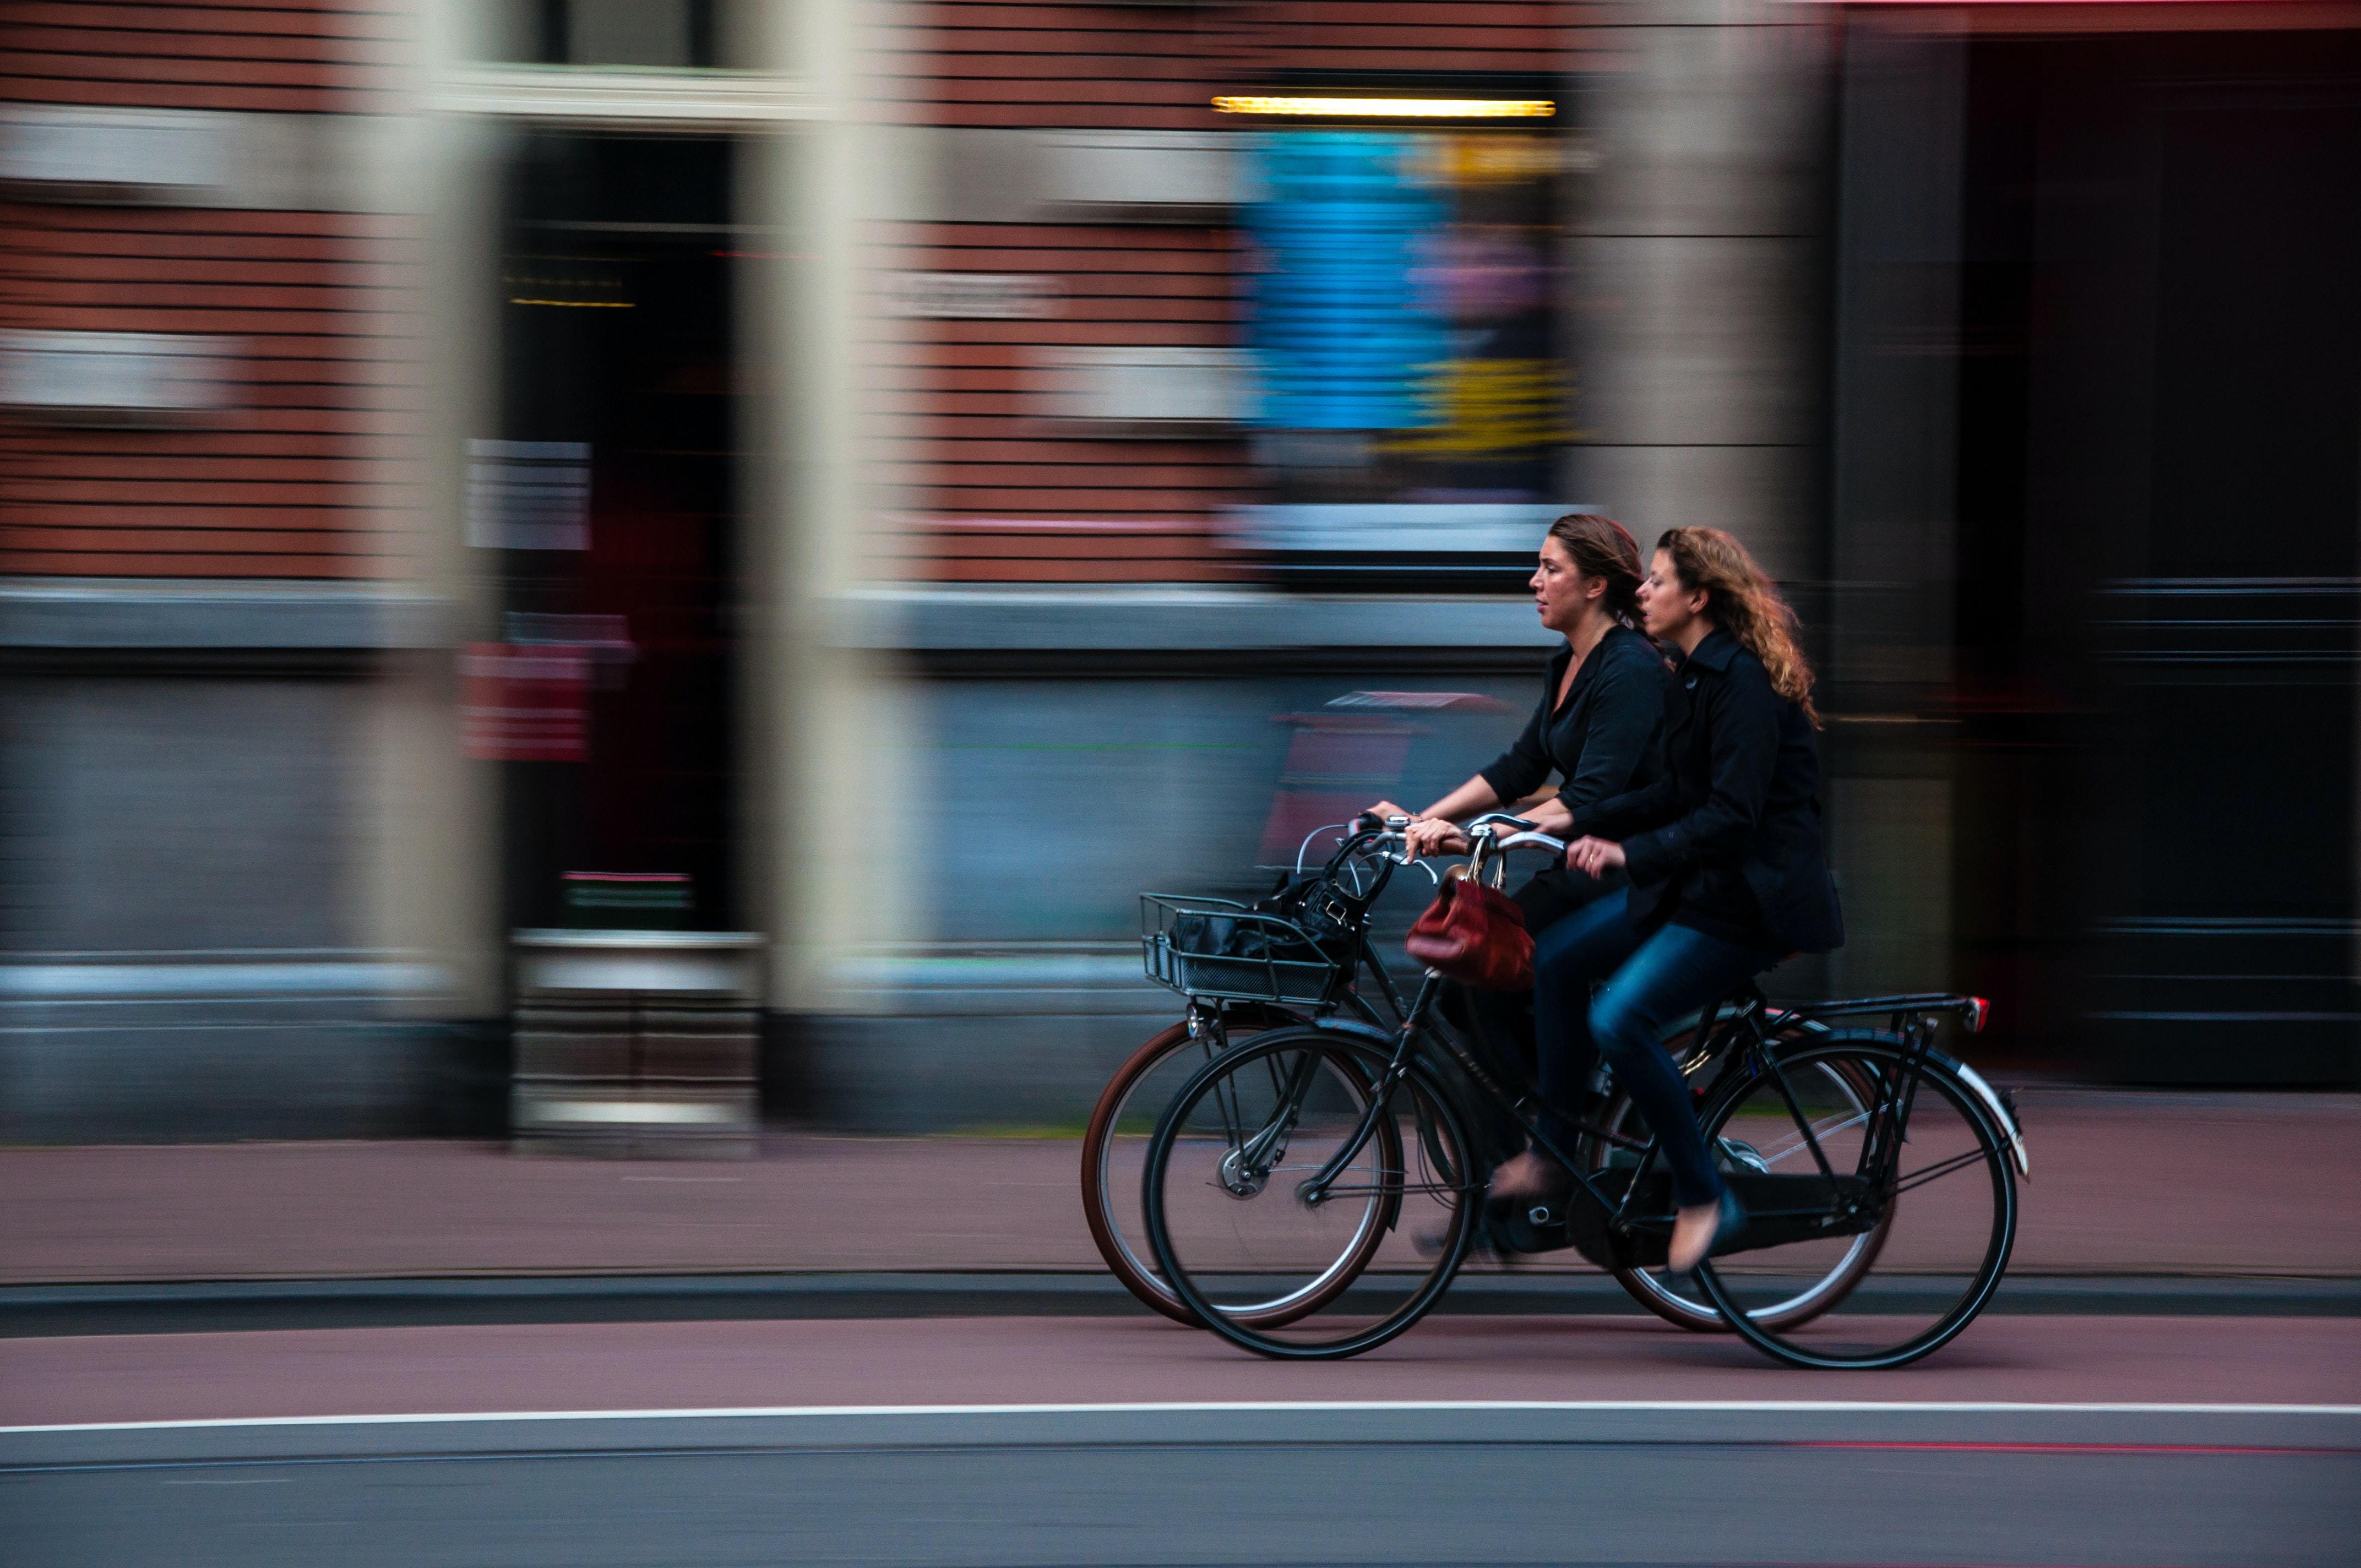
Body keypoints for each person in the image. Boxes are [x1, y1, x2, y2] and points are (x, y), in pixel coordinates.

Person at [1514, 526, 1845, 1273]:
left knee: (1620, 1019)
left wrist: (1627, 852)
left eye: (1658, 582)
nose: (1643, 592)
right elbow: (1672, 791)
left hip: (1753, 903)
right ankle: (1556, 1151)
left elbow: (1732, 816)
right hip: (1703, 888)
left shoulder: (1745, 684)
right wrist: (1572, 816)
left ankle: (1706, 1197)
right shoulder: (1692, 674)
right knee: (1558, 961)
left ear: (1698, 598)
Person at [1367, 513, 1671, 1130]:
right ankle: (1573, 1123)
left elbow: (1592, 794)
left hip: (1628, 874)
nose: (1533, 581)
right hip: (1580, 870)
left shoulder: (1631, 667)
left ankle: (1565, 1131)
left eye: (1549, 568)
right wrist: (1422, 820)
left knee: (1481, 977)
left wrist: (1491, 831)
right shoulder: (1567, 664)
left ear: (1593, 586)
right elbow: (1519, 767)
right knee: (1471, 984)